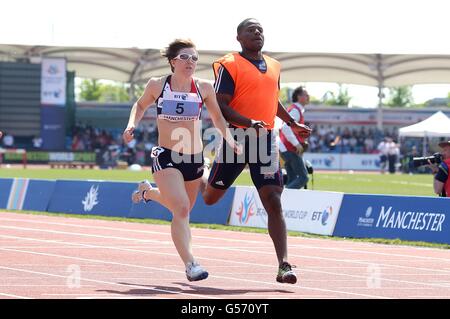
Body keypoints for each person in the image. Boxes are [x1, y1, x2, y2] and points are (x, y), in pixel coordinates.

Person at [201, 18, 312, 284]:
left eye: (260, 29)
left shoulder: (274, 66)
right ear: (238, 37)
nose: (257, 32)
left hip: (265, 140)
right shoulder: (230, 65)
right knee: (210, 198)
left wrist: (291, 122)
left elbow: (272, 100)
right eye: (251, 30)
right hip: (235, 139)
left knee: (274, 199)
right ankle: (204, 171)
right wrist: (248, 121)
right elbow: (221, 104)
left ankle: (283, 264)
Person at [122, 39, 240, 282]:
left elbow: (218, 118)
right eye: (185, 57)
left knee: (182, 209)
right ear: (173, 61)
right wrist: (131, 123)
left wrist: (230, 140)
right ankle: (191, 264)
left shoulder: (204, 87)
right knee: (182, 208)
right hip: (166, 155)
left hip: (194, 158)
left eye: (195, 58)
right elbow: (140, 104)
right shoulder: (157, 84)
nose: (191, 62)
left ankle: (147, 193)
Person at [278, 86, 310, 189]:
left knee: (291, 179)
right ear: (299, 96)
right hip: (290, 148)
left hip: (285, 148)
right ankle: (282, 199)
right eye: (306, 94)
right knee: (303, 178)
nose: (308, 96)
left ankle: (283, 202)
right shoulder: (296, 110)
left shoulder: (295, 109)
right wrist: (297, 144)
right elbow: (285, 128)